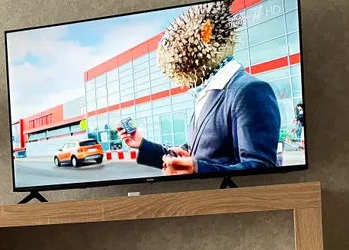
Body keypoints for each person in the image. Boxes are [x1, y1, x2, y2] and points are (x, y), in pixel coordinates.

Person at [117, 0, 281, 175]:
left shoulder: (250, 91)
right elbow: (191, 153)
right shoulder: (206, 94)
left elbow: (262, 167)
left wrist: (198, 169)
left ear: (206, 33)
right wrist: (142, 144)